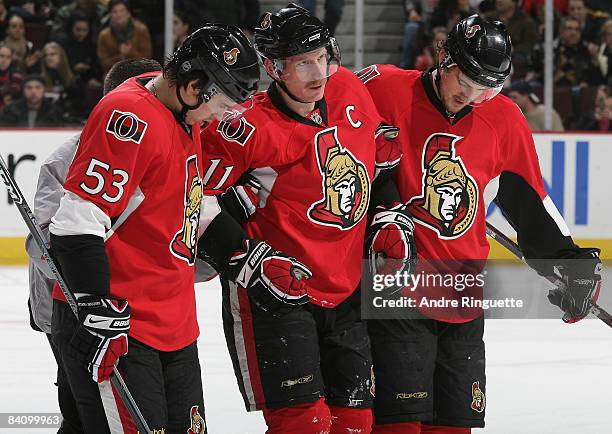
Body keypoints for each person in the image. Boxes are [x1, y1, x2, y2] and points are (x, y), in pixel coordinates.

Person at [359, 14, 602, 434]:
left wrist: (570, 264)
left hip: (461, 290)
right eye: (464, 82)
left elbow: (531, 203)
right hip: (394, 285)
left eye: (487, 88)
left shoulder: (504, 120)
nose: (471, 97)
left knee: (454, 427)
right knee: (398, 426)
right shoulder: (381, 88)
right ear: (443, 58)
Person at [197, 4, 412, 434]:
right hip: (276, 295)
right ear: (274, 68)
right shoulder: (245, 128)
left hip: (346, 288)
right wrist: (244, 256)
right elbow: (191, 198)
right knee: (304, 425)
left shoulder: (349, 88)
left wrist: (389, 218)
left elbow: (378, 162)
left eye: (320, 58)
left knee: (355, 423)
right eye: (302, 64)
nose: (318, 73)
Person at [47, 25, 259, 433]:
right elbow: (78, 218)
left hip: (172, 322)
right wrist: (94, 306)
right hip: (121, 324)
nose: (221, 118)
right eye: (223, 105)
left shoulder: (180, 112)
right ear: (194, 85)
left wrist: (241, 253)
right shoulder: (128, 116)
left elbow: (189, 203)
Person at [25, 57, 162, 434]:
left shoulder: (167, 143)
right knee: (83, 412)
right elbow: (43, 245)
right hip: (70, 310)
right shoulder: (69, 157)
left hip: (128, 310)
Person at [96, 0, 152, 74]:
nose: (118, 14)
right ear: (110, 15)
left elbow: (147, 58)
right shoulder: (104, 35)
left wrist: (130, 53)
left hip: (138, 72)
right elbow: (103, 63)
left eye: (122, 11)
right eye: (115, 12)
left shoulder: (141, 30)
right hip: (113, 74)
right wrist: (121, 56)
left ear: (128, 13)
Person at [0, 43, 24, 112]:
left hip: (10, 112)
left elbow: (14, 89)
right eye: (1, 56)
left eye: (8, 57)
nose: (4, 60)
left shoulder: (17, 74)